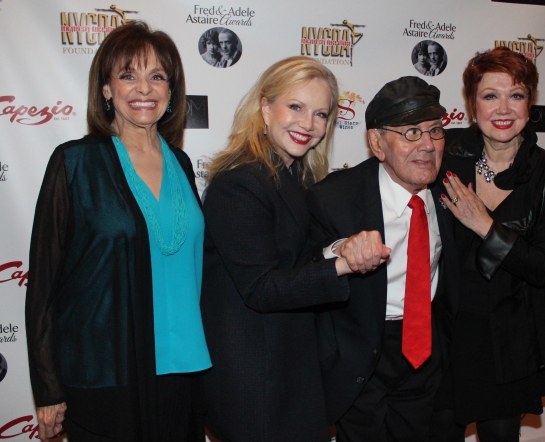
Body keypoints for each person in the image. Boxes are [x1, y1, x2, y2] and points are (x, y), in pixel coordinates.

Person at [25, 22, 211, 442]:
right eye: (127, 75)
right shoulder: (75, 164)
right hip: (106, 377)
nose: (143, 88)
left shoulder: (181, 163)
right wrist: (48, 388)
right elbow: (42, 288)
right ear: (107, 89)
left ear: (171, 91)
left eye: (156, 76)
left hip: (184, 372)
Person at [200, 56, 382, 442]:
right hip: (253, 378)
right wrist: (344, 264)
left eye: (320, 114)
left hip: (289, 367)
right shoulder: (240, 183)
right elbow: (262, 288)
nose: (308, 124)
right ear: (265, 108)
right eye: (295, 107)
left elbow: (300, 256)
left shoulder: (294, 176)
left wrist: (339, 247)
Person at [431, 46, 545, 441]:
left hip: (510, 340)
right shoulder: (444, 155)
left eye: (516, 95)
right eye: (490, 95)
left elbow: (543, 266)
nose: (503, 109)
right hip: (444, 333)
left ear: (530, 103)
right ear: (471, 103)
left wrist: (484, 225)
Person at [307, 76, 460, 442]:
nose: (427, 145)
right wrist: (340, 250)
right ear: (377, 142)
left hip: (424, 349)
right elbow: (304, 267)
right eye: (410, 132)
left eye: (435, 131)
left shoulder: (452, 190)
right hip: (359, 352)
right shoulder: (334, 197)